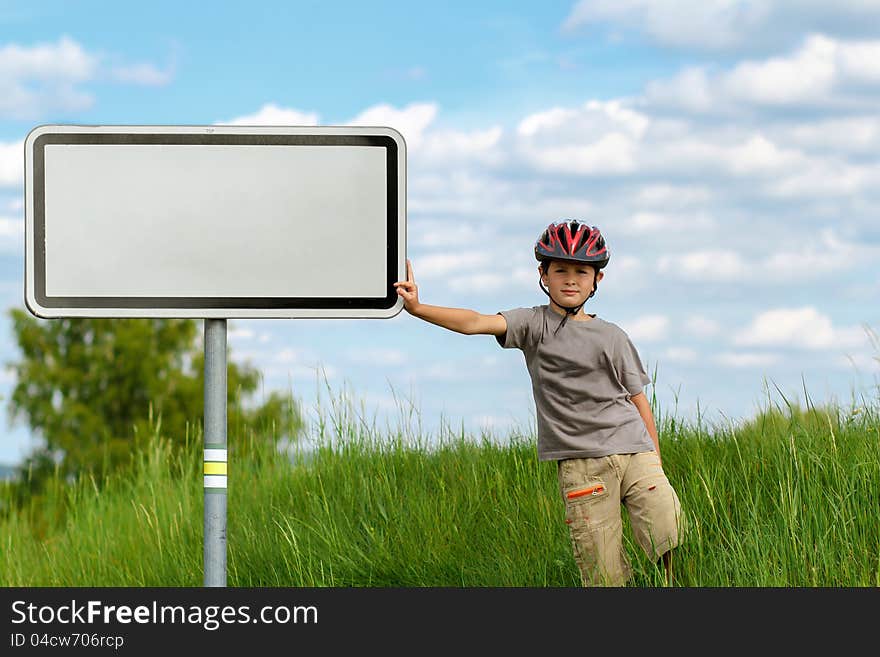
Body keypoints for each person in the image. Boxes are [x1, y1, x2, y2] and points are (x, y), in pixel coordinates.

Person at [394, 219, 685, 587]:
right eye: (560, 269)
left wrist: (656, 461)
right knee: (603, 574)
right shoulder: (533, 324)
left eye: (582, 272)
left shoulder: (613, 336)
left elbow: (639, 401)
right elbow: (475, 322)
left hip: (636, 453)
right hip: (583, 466)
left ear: (597, 280)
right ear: (543, 274)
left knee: (671, 536)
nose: (570, 279)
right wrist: (419, 308)